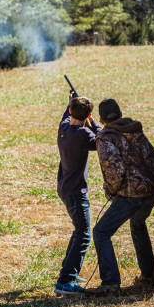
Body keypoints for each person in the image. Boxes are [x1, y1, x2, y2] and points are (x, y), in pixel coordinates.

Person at [86, 98, 154, 296]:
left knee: (101, 232)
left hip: (131, 194)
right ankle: (148, 274)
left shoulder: (105, 137)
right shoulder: (135, 130)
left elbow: (115, 171)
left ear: (101, 119)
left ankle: (110, 282)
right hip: (153, 190)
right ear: (119, 114)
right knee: (137, 224)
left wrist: (111, 191)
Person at [54, 94, 101, 296]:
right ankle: (66, 281)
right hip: (76, 192)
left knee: (78, 229)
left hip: (65, 188)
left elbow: (67, 115)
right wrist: (93, 122)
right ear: (88, 115)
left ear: (71, 111)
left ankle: (68, 271)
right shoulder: (84, 135)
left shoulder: (63, 128)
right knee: (84, 234)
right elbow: (103, 137)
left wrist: (71, 102)